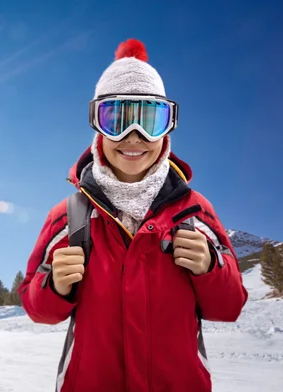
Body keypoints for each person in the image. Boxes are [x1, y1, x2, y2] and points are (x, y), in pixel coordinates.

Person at [18, 38, 248, 392]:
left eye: (150, 120)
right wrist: (55, 286)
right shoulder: (68, 216)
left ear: (167, 127)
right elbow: (37, 308)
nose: (134, 136)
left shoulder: (194, 211)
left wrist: (210, 267)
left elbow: (230, 306)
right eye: (117, 120)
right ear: (97, 125)